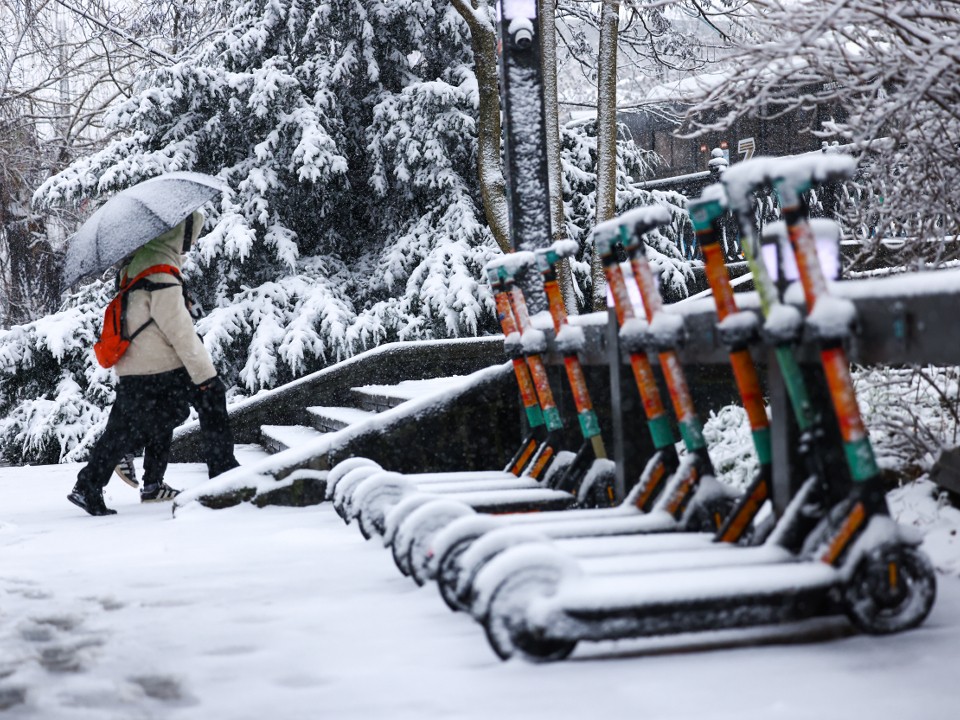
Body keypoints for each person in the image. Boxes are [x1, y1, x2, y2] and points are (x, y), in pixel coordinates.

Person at [68, 211, 239, 516]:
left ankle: (89, 485)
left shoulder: (139, 264)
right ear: (178, 234)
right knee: (211, 397)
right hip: (160, 364)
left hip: (133, 365)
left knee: (136, 423)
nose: (191, 243)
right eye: (191, 235)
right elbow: (180, 332)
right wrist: (205, 375)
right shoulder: (160, 272)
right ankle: (224, 475)